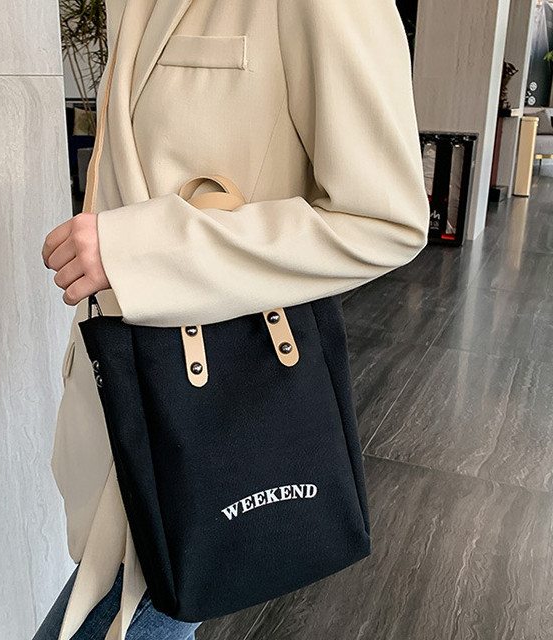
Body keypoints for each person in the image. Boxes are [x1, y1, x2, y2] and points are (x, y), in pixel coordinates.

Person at [39, 0, 430, 638]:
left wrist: (139, 251)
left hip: (200, 414)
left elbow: (385, 218)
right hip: (126, 396)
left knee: (149, 596)